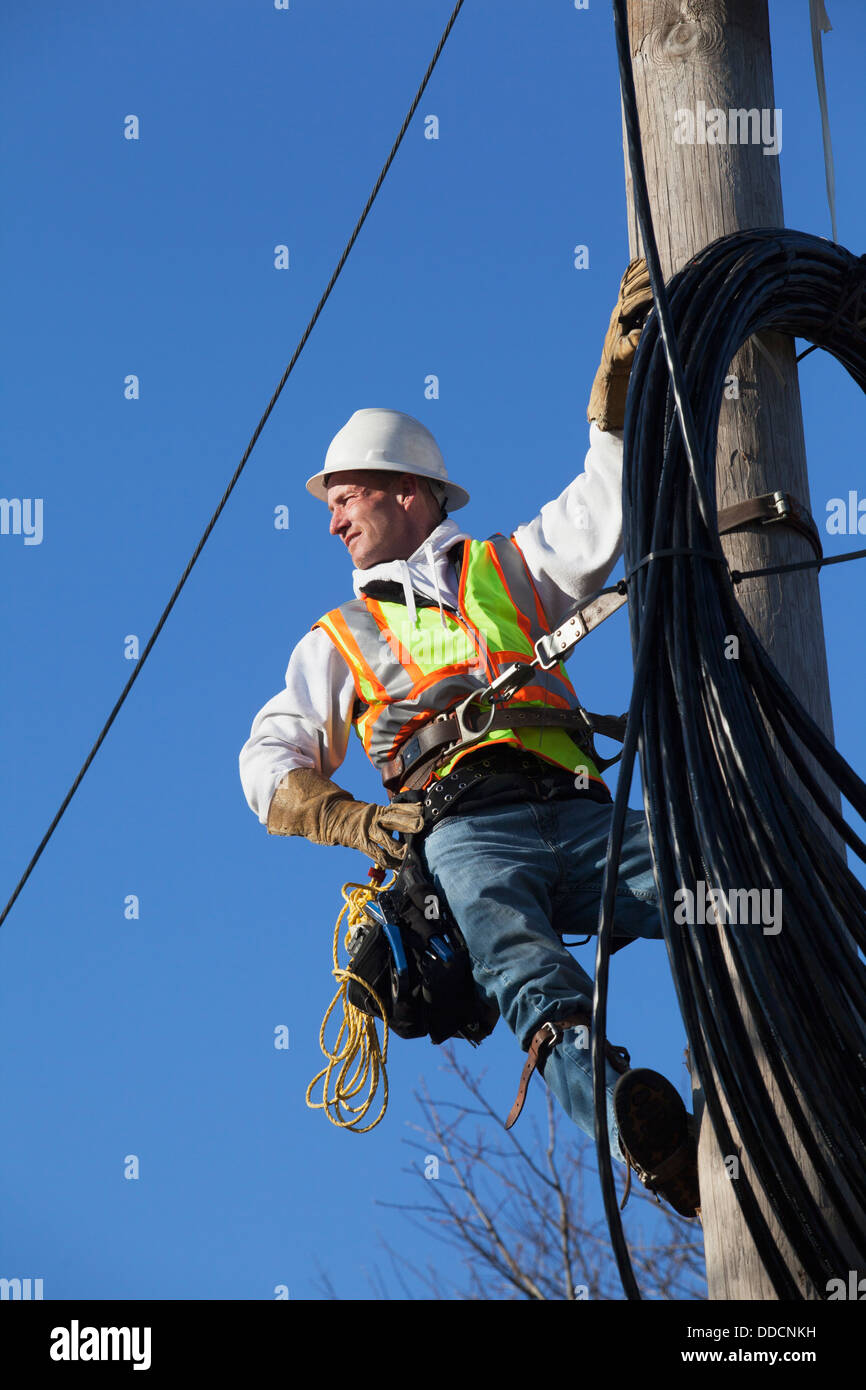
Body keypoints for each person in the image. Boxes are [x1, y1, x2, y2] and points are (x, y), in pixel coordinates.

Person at [239, 261, 700, 1218]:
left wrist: (611, 390)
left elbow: (600, 516)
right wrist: (357, 823)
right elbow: (267, 763)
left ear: (410, 491)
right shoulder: (338, 640)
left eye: (346, 497)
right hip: (462, 834)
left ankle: (773, 1079)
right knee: (532, 979)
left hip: (580, 812)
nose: (330, 520)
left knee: (727, 885)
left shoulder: (505, 567)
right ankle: (641, 1131)